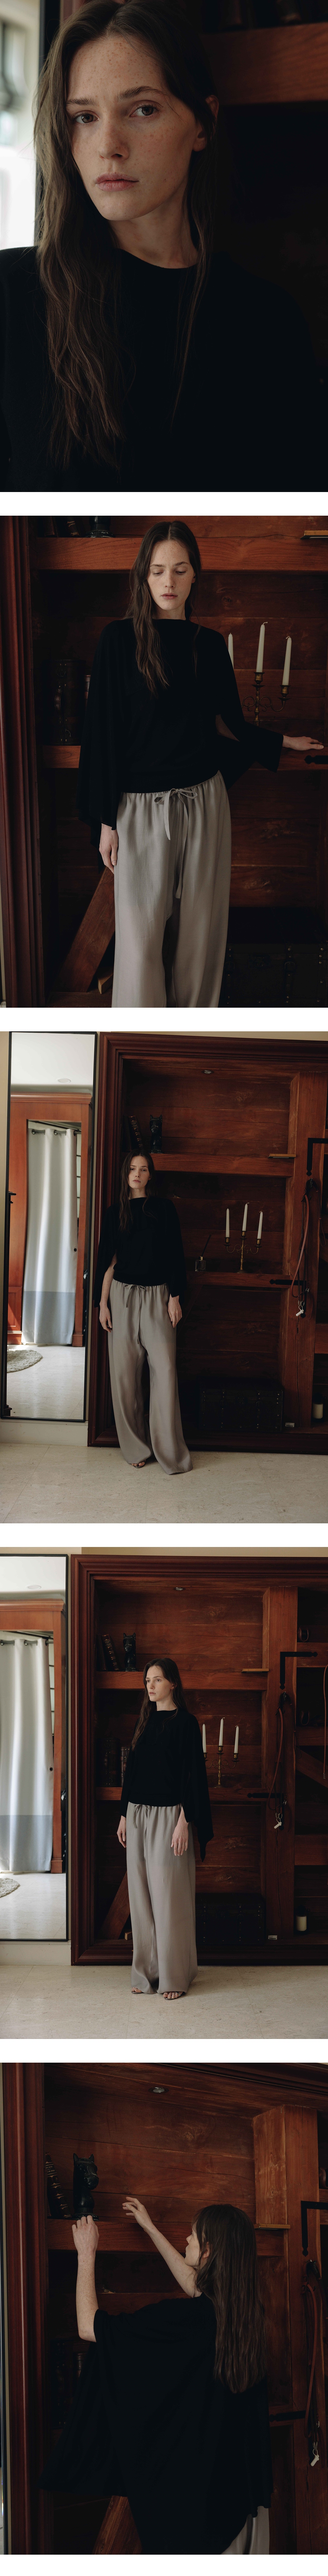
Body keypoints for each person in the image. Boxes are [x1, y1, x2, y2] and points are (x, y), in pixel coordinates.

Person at [0, 0, 323, 490]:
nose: (109, 145)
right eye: (84, 117)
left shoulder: (268, 322)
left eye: (143, 110)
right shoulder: (12, 297)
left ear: (202, 124)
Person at [78, 518, 323, 1006]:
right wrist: (107, 820)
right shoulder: (118, 641)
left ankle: (194, 1024)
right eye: (158, 571)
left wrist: (283, 742)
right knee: (140, 944)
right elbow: (102, 733)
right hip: (139, 811)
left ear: (195, 575)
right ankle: (143, 1034)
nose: (168, 582)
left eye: (180, 569)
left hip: (205, 804)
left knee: (200, 942)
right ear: (144, 577)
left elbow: (225, 724)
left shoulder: (208, 645)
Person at [40, 2198, 273, 2553]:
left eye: (192, 2236)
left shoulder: (183, 2320)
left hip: (204, 2524)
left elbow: (89, 2327)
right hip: (246, 2506)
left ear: (208, 2251)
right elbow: (198, 2287)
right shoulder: (247, 2315)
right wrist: (150, 2228)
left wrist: (86, 2255)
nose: (186, 2240)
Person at [116, 1654, 213, 1997]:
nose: (151, 1686)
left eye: (157, 1679)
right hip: (137, 1814)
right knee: (141, 1899)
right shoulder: (143, 1722)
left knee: (169, 1898)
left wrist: (184, 1821)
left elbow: (194, 1776)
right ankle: (146, 1974)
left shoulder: (186, 1723)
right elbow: (132, 1772)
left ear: (173, 1682)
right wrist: (124, 1815)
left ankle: (174, 1977)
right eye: (147, 1681)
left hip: (170, 1816)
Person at [93, 1145, 192, 1471]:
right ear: (126, 1174)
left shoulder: (164, 1209)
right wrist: (102, 1304)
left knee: (165, 1371)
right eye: (133, 1169)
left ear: (151, 1176)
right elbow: (109, 1263)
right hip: (121, 1298)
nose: (137, 1174)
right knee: (124, 1376)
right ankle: (136, 1448)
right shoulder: (114, 1213)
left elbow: (175, 1253)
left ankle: (170, 1453)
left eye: (144, 1169)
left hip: (158, 1297)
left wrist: (175, 1296)